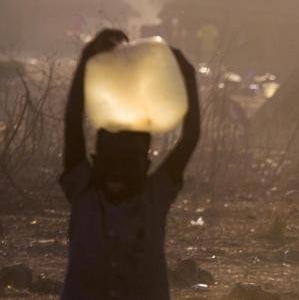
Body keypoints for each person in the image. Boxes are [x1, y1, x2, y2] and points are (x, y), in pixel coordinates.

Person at [60, 29, 200, 299]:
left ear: (146, 165)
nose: (117, 171)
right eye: (110, 161)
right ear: (95, 160)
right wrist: (87, 58)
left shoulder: (155, 196)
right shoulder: (83, 191)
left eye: (127, 162)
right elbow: (72, 126)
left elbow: (190, 136)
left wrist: (188, 76)